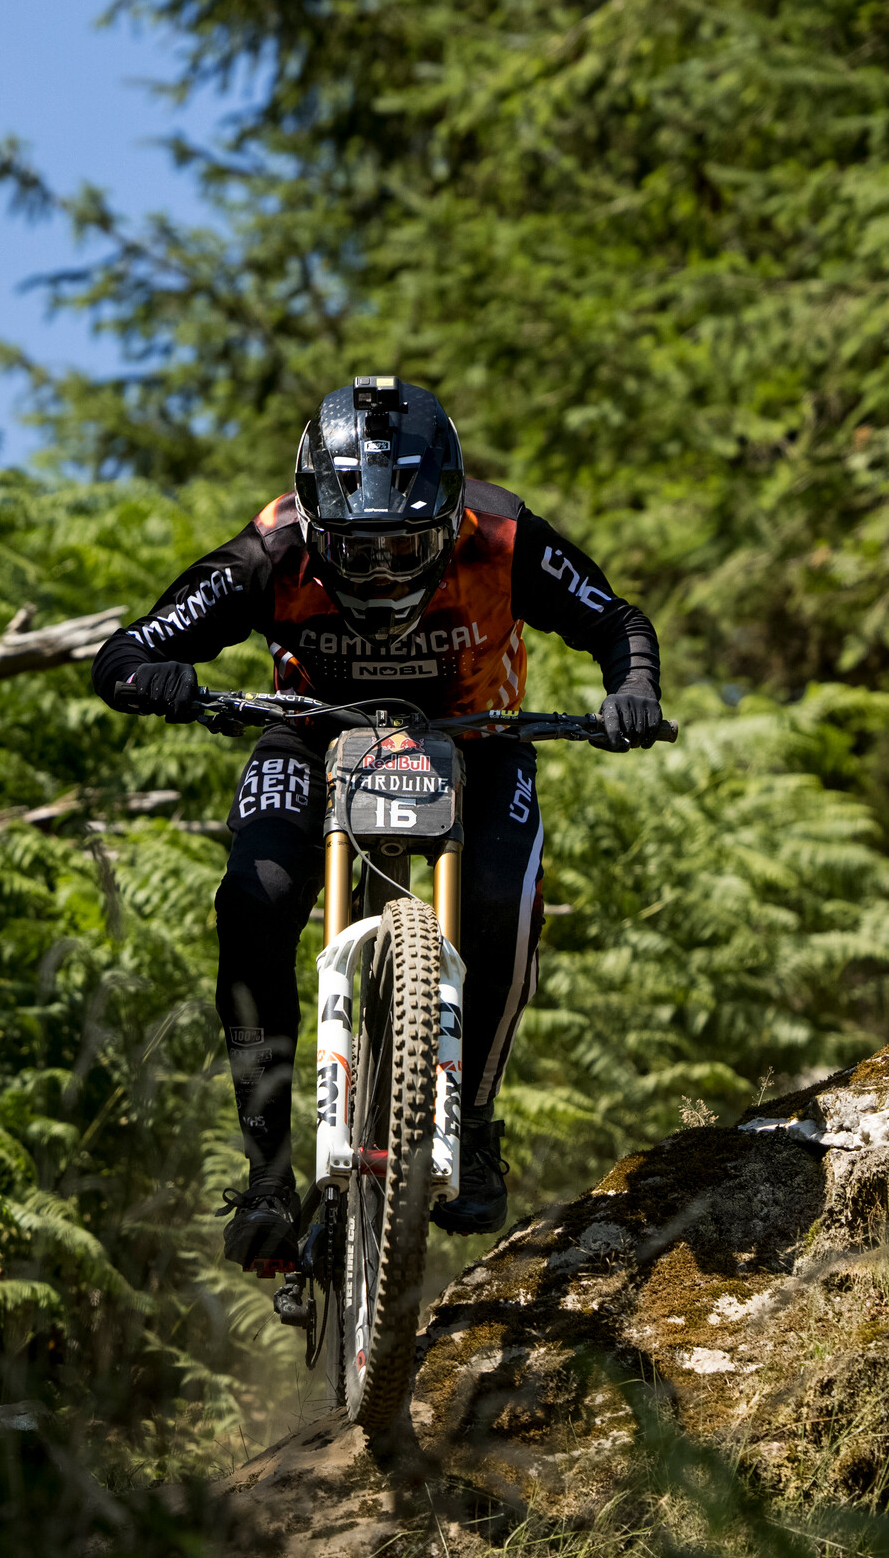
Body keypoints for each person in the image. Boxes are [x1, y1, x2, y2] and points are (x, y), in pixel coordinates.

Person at [89, 376, 665, 1268]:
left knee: (503, 898)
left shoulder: (505, 538)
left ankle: (474, 1119)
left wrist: (633, 689)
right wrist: (151, 676)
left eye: (407, 545)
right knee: (253, 899)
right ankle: (266, 1177)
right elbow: (129, 649)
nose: (385, 572)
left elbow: (616, 622)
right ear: (314, 528)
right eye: (357, 552)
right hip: (309, 733)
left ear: (452, 520)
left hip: (479, 738)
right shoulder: (269, 550)